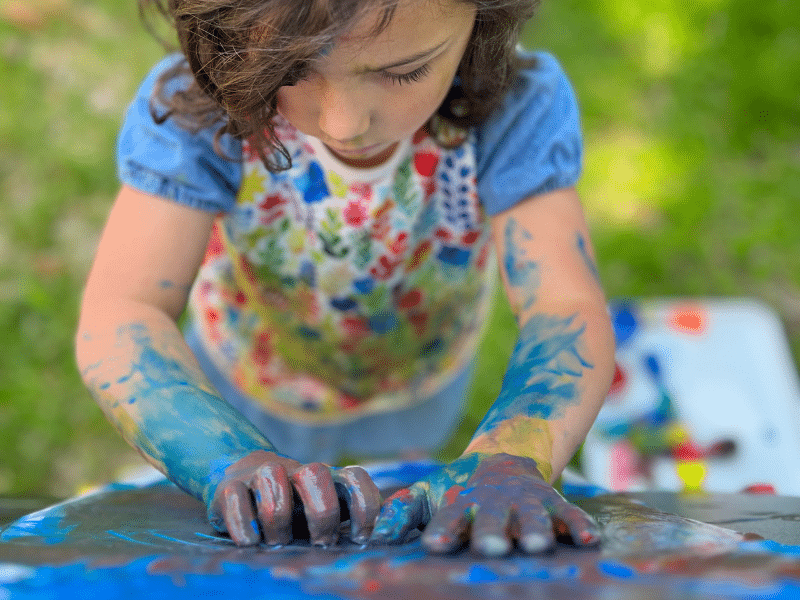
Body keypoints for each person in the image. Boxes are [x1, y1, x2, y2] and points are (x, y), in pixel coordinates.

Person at [76, 0, 616, 556]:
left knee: (393, 488)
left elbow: (562, 305)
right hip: (249, 379)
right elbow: (126, 309)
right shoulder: (199, 109)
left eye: (404, 71)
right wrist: (223, 456)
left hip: (416, 383)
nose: (343, 123)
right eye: (287, 71)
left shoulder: (514, 106)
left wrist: (511, 454)